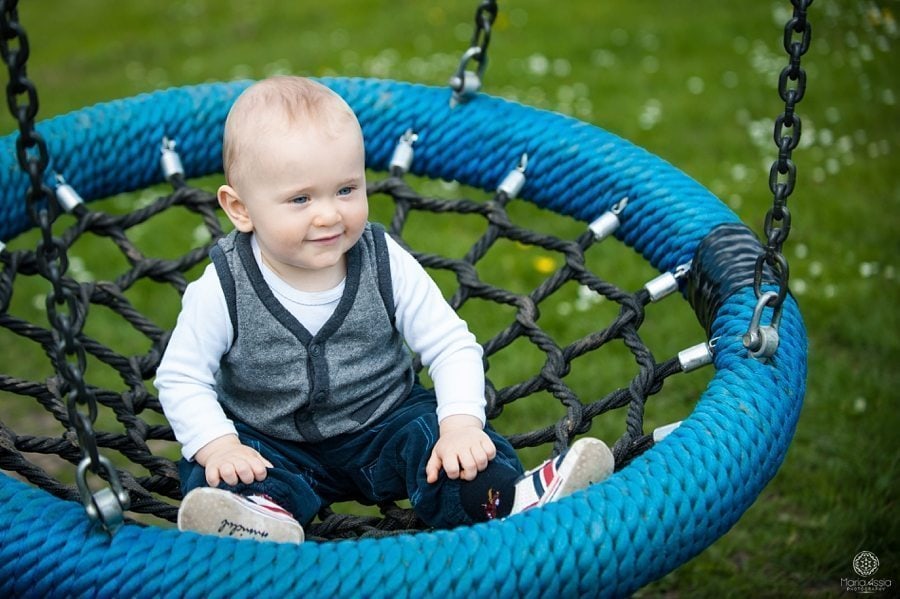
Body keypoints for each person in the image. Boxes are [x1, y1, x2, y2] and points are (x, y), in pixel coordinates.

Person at [155, 76, 614, 544]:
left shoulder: (382, 259)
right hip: (270, 441)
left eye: (347, 190)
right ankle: (256, 519)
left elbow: (451, 344)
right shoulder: (223, 285)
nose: (330, 214)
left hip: (386, 424)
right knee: (215, 469)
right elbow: (182, 376)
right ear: (240, 209)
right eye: (301, 199)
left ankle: (508, 501)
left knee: (453, 449)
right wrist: (219, 443)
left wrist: (459, 425)